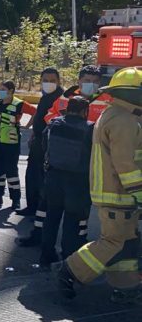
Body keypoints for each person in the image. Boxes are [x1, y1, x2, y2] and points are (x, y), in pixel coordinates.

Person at [57, 67, 142, 303]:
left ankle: (125, 285)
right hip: (118, 194)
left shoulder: (119, 114)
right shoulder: (124, 120)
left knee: (127, 241)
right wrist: (140, 193)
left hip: (117, 193)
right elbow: (125, 164)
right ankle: (70, 270)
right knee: (113, 241)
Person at [26, 66, 113, 243]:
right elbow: (49, 117)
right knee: (48, 204)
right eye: (87, 81)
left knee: (79, 209)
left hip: (86, 163)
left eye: (96, 82)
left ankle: (77, 243)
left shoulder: (107, 101)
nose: (91, 85)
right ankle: (38, 236)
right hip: (58, 160)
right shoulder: (65, 99)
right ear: (79, 81)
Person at [38, 96, 94, 268]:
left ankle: (46, 256)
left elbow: (43, 146)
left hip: (53, 178)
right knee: (72, 222)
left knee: (51, 218)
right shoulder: (90, 128)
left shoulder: (54, 123)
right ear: (85, 111)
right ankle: (68, 261)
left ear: (68, 108)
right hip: (77, 181)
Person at [17, 68, 63, 217]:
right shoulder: (46, 96)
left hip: (48, 145)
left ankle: (40, 210)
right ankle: (32, 206)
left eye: (52, 81)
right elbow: (39, 116)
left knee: (42, 178)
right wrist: (33, 134)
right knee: (32, 176)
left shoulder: (60, 99)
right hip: (38, 141)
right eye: (45, 80)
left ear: (58, 82)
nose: (48, 83)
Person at [0, 80, 36, 210]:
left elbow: (35, 112)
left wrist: (28, 126)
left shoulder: (19, 104)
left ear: (11, 91)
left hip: (11, 144)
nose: (0, 91)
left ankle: (15, 200)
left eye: (3, 89)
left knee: (11, 171)